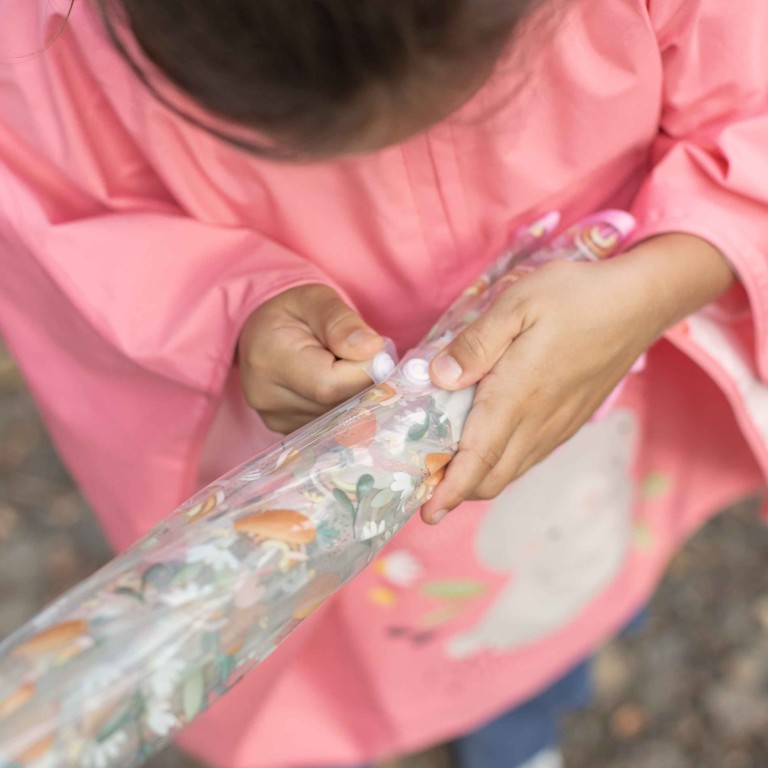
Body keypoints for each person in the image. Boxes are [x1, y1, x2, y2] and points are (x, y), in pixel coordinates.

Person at [1, 0, 767, 766]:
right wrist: (235, 308)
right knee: (399, 638)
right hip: (340, 505)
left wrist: (658, 285)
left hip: (588, 429)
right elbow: (64, 223)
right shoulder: (47, 46)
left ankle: (529, 715)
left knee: (564, 589)